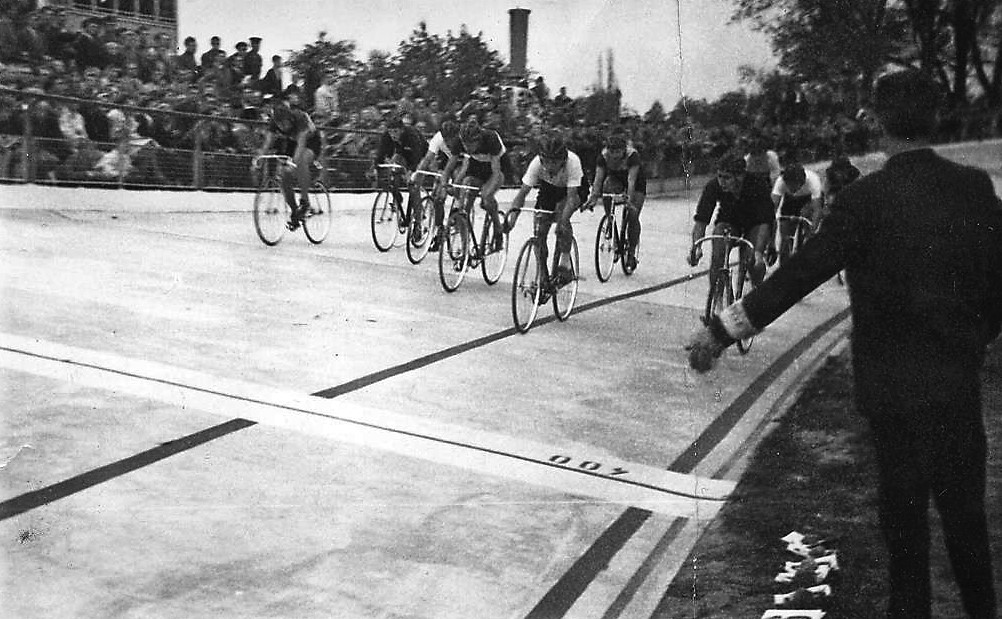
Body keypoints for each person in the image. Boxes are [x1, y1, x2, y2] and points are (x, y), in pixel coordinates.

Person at [686, 69, 1002, 619]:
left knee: (906, 549)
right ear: (937, 117)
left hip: (891, 393)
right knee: (969, 533)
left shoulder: (864, 200)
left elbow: (799, 274)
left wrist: (721, 330)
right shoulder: (975, 189)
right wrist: (973, 342)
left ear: (878, 123)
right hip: (954, 385)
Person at [688, 152, 773, 305]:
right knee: (718, 253)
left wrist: (759, 252)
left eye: (726, 177)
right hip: (729, 222)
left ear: (739, 176)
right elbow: (701, 220)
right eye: (719, 176)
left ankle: (757, 293)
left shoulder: (758, 185)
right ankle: (718, 299)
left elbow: (766, 222)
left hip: (754, 223)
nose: (722, 182)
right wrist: (696, 246)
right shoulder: (713, 186)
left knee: (753, 260)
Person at [508, 130, 584, 289]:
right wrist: (512, 218)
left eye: (555, 162)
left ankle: (565, 263)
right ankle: (542, 275)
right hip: (549, 188)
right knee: (540, 230)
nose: (550, 166)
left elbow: (571, 198)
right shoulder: (536, 163)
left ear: (563, 160)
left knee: (562, 219)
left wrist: (563, 220)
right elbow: (522, 193)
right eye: (547, 161)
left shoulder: (573, 162)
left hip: (573, 190)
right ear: (541, 159)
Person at [256, 86, 321, 227]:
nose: (283, 127)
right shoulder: (275, 122)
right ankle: (295, 211)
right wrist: (259, 157)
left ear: (290, 118)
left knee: (301, 160)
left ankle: (305, 202)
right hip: (292, 143)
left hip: (311, 142)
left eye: (285, 123)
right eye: (280, 125)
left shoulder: (299, 117)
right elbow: (268, 142)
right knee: (284, 177)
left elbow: (301, 145)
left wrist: (293, 164)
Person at [439, 118, 508, 250]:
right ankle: (465, 247)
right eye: (465, 144)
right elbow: (449, 168)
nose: (467, 148)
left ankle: (498, 228)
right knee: (465, 200)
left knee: (486, 199)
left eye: (470, 144)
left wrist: (486, 193)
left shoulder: (490, 138)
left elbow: (496, 172)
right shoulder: (459, 141)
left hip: (497, 167)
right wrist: (444, 184)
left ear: (478, 140)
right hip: (477, 166)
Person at [584, 132, 647, 271]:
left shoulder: (632, 156)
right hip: (616, 178)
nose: (614, 155)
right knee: (607, 188)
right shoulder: (603, 156)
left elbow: (631, 181)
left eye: (618, 151)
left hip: (636, 182)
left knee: (632, 215)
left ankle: (631, 253)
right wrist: (593, 197)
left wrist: (628, 200)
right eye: (612, 151)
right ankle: (610, 220)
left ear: (624, 150)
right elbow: (598, 179)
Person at [410, 119, 459, 251]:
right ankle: (439, 230)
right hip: (447, 161)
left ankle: (459, 213)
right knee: (438, 197)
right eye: (445, 139)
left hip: (463, 162)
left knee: (459, 189)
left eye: (450, 139)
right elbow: (427, 159)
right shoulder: (437, 139)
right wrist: (417, 174)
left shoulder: (462, 139)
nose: (448, 142)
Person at [373, 116, 428, 221]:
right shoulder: (387, 136)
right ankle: (397, 196)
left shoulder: (411, 134)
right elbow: (381, 152)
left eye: (395, 131)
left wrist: (411, 171)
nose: (393, 135)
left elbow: (417, 155)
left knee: (413, 185)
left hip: (421, 155)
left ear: (402, 130)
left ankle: (419, 218)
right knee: (392, 170)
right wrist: (376, 167)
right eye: (390, 132)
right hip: (402, 153)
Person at [771, 162, 825, 263]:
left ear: (801, 181)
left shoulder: (813, 180)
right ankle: (784, 265)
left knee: (806, 214)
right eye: (788, 184)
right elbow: (772, 209)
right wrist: (772, 241)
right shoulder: (780, 181)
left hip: (808, 201)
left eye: (793, 185)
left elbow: (817, 209)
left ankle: (808, 251)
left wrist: (813, 227)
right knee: (785, 231)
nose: (791, 188)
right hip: (790, 201)